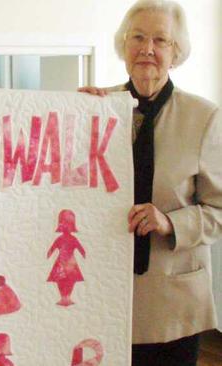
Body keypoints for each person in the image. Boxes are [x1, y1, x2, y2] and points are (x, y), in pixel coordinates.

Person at [79, 1, 222, 365]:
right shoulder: (97, 109)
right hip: (106, 295)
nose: (147, 48)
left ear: (175, 52)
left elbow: (219, 210)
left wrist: (170, 221)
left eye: (160, 40)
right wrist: (73, 116)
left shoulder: (204, 117)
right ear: (123, 47)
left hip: (173, 302)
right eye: (138, 37)